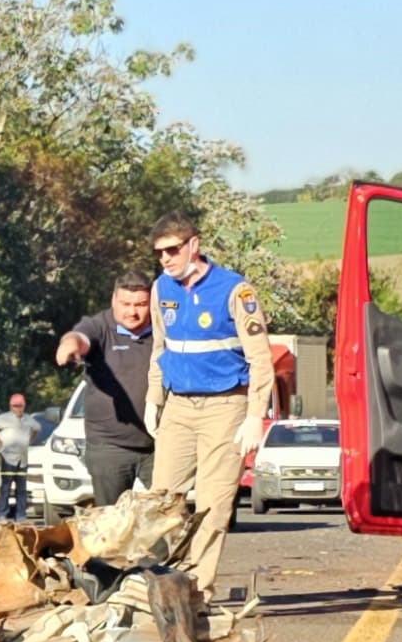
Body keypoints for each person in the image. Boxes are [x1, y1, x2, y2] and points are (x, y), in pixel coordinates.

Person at [144, 214, 268, 594]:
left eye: (173, 249)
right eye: (159, 252)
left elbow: (260, 357)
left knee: (213, 505)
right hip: (179, 406)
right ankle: (161, 586)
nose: (165, 258)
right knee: (161, 503)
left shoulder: (235, 290)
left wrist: (254, 417)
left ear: (193, 245)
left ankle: (197, 590)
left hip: (224, 406)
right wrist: (154, 400)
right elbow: (159, 350)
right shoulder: (161, 289)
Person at [49, 279, 157, 507]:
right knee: (110, 521)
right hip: (110, 446)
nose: (132, 312)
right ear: (113, 300)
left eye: (140, 304)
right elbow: (80, 337)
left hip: (159, 443)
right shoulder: (99, 326)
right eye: (125, 303)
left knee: (162, 519)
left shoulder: (163, 327)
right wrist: (69, 345)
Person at [0, 389, 40, 520]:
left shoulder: (28, 419)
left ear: (24, 406)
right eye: (15, 406)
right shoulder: (4, 418)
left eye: (20, 406)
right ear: (11, 407)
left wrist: (30, 441)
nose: (18, 409)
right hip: (8, 458)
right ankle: (2, 514)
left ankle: (21, 515)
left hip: (23, 459)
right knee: (6, 487)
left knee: (21, 488)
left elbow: (37, 429)